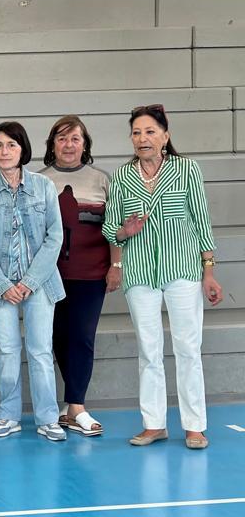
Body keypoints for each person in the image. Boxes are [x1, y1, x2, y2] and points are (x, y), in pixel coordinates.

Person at [102, 104, 223, 450]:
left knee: (188, 348)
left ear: (165, 136)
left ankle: (194, 426)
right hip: (140, 273)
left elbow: (202, 223)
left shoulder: (187, 170)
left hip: (183, 269)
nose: (143, 138)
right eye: (136, 132)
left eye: (150, 131)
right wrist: (124, 231)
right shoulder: (121, 177)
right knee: (149, 350)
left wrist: (209, 272)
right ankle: (153, 424)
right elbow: (110, 229)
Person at [0, 121, 67, 442]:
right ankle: (8, 416)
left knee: (40, 350)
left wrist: (30, 281)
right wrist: (2, 285)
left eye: (11, 144)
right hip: (0, 286)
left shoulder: (44, 186)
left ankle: (48, 418)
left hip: (39, 283)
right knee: (7, 350)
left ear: (22, 149)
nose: (5, 151)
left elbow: (55, 236)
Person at [39, 115, 121, 437]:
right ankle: (72, 406)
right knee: (58, 337)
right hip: (50, 276)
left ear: (85, 144)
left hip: (91, 274)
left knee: (83, 336)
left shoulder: (102, 180)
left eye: (75, 138)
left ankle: (77, 406)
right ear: (52, 144)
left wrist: (115, 266)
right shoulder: (39, 180)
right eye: (62, 138)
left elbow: (113, 227)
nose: (68, 145)